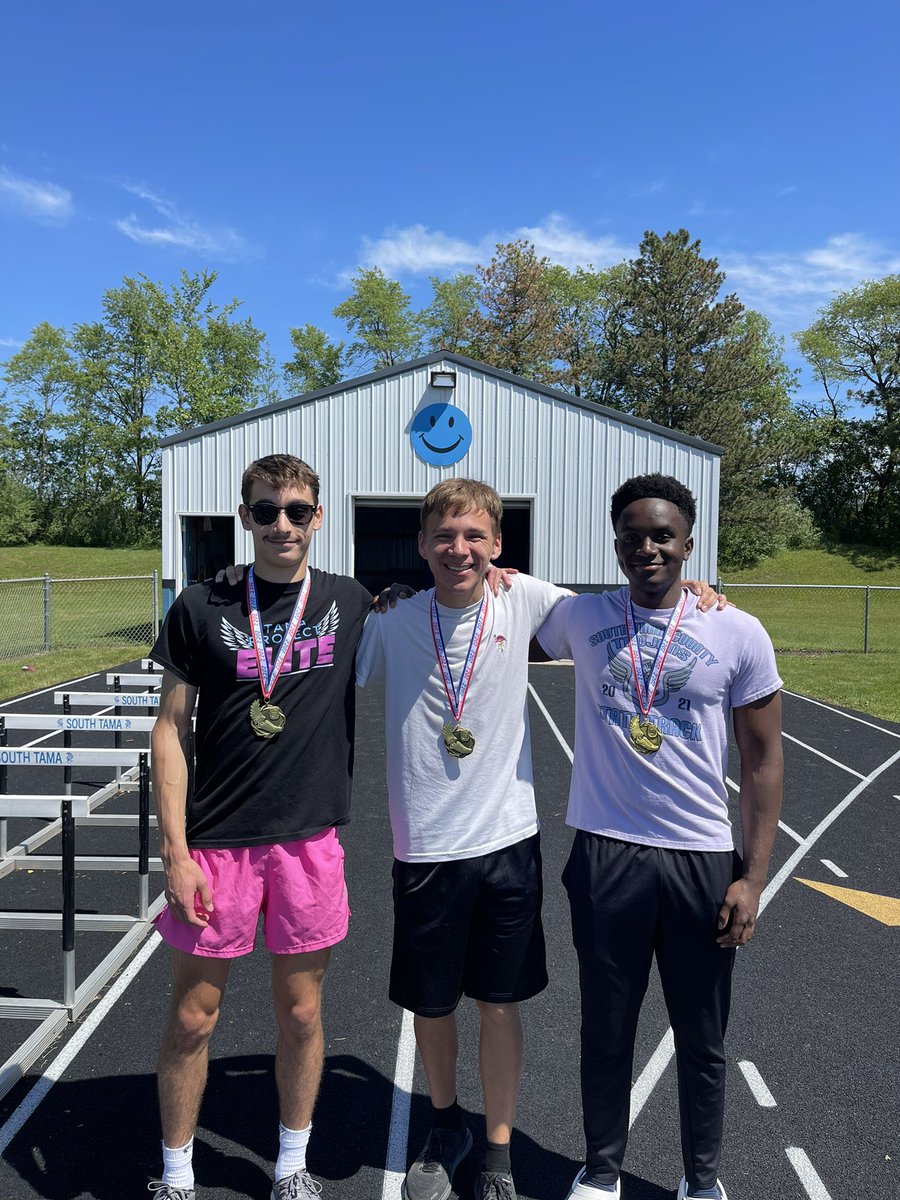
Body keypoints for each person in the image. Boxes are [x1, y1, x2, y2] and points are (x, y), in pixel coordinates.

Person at [355, 479, 725, 1200]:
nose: (457, 549)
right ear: (422, 544)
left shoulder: (526, 599)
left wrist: (698, 589)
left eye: (473, 536)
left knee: (500, 1003)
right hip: (424, 846)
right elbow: (329, 649)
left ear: (498, 545)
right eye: (443, 536)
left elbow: (626, 604)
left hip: (506, 843)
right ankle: (445, 1123)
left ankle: (497, 1150)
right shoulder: (393, 622)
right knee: (432, 1006)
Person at [535, 474, 784, 1200]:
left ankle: (701, 1180)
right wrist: (392, 595)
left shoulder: (736, 629)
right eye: (634, 536)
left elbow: (764, 759)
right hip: (606, 852)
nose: (648, 547)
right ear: (616, 544)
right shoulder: (580, 617)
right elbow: (490, 591)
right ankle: (601, 1170)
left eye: (663, 536)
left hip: (701, 860)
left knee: (702, 1040)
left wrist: (754, 876)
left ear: (688, 543)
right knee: (606, 1031)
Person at [149, 454, 376, 1200]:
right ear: (244, 517)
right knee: (192, 1018)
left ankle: (291, 1166)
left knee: (304, 1013)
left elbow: (461, 601)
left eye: (298, 510)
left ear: (319, 517)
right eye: (268, 509)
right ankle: (177, 1174)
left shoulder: (351, 600)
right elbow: (168, 732)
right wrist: (176, 854)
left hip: (308, 841)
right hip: (216, 846)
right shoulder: (199, 606)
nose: (284, 523)